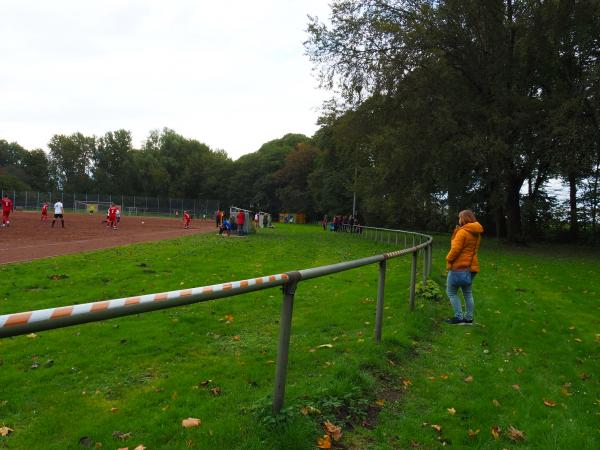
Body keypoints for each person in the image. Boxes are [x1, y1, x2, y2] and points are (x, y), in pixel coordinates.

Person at [445, 210, 484, 325]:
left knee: (451, 292)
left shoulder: (462, 232)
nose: (459, 219)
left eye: (459, 217)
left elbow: (455, 250)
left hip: (459, 266)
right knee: (467, 292)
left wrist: (448, 259)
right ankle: (469, 318)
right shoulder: (476, 233)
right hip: (472, 267)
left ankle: (458, 317)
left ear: (464, 218)